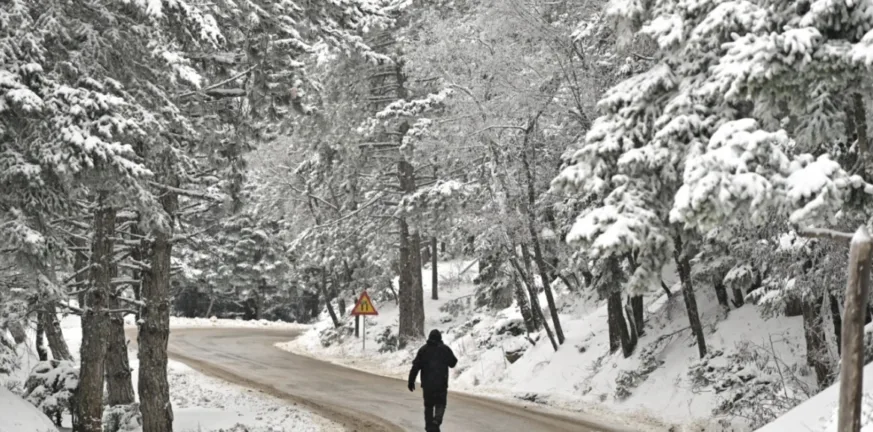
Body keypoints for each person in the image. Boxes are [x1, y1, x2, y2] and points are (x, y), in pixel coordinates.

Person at [408, 329, 458, 432]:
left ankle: (429, 426)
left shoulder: (423, 350)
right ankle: (436, 422)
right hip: (441, 384)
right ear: (440, 338)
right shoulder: (444, 349)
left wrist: (411, 381)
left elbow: (415, 366)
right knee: (441, 404)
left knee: (428, 406)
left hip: (427, 385)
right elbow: (453, 363)